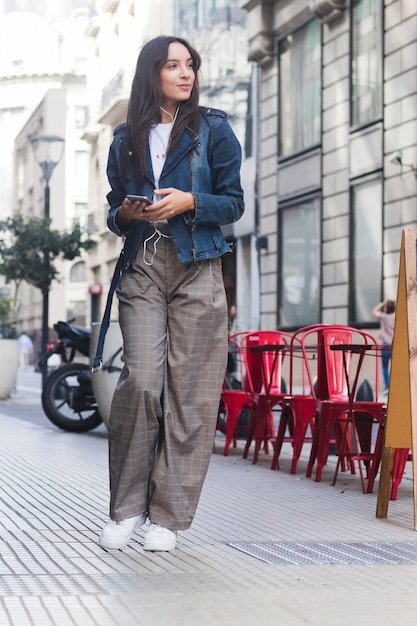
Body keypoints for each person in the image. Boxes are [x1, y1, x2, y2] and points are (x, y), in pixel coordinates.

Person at [97, 35, 244, 552]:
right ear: (151, 72)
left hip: (198, 265)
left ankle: (167, 518)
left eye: (191, 66)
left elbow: (233, 204)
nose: (186, 74)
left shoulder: (214, 129)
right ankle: (127, 508)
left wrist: (190, 201)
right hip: (143, 266)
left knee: (191, 393)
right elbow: (115, 208)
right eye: (174, 65)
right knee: (140, 381)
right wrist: (127, 214)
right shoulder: (124, 137)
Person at [372, 299, 396, 391]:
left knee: (385, 367)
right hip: (395, 345)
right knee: (395, 366)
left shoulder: (384, 317)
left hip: (386, 345)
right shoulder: (396, 317)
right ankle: (395, 385)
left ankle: (388, 387)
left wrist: (382, 304)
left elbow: (374, 311)